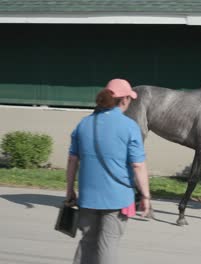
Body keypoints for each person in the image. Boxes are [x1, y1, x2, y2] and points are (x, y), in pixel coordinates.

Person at [65, 78, 152, 264]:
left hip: (87, 198)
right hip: (117, 198)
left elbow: (73, 160)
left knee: (87, 241)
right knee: (108, 244)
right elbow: (138, 165)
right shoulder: (130, 127)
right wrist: (145, 196)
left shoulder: (84, 124)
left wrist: (69, 190)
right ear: (125, 100)